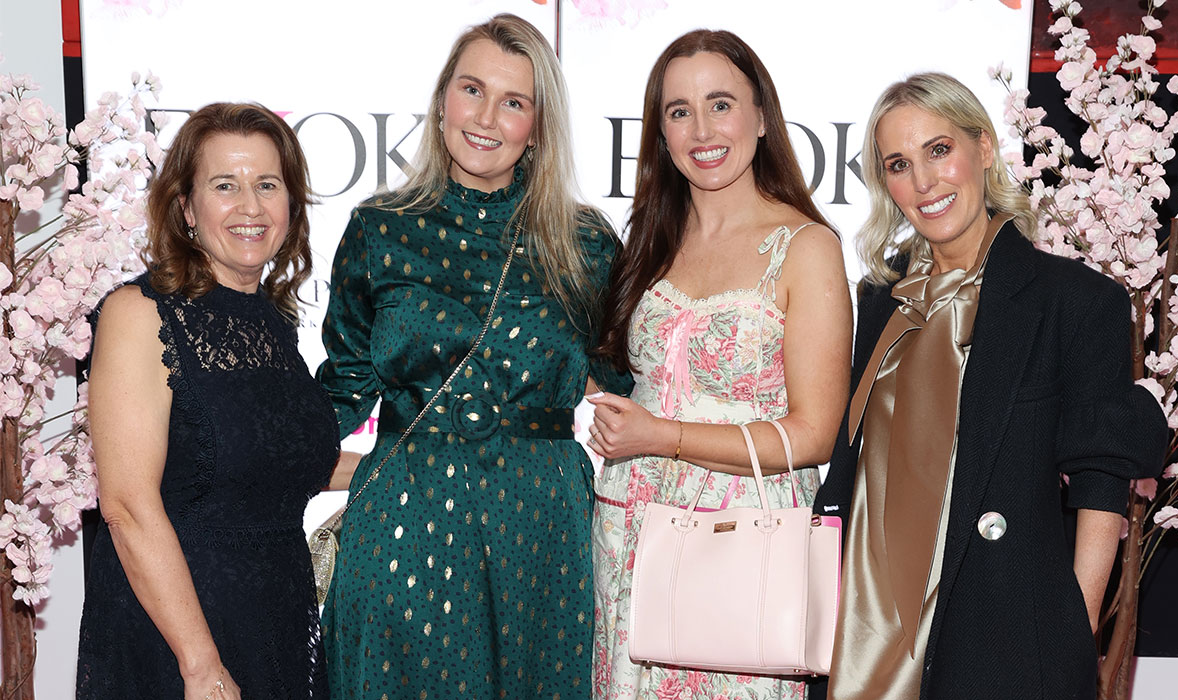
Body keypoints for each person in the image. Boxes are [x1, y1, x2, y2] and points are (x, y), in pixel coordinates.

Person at [813, 73, 1168, 700]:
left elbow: (1100, 480)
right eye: (899, 164)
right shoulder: (877, 302)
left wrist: (1071, 628)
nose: (923, 182)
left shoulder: (1075, 301)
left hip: (1002, 639)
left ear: (983, 147)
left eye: (939, 150)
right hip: (864, 626)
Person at [315, 14, 627, 700]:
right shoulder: (379, 229)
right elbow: (341, 388)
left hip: (541, 528)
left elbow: (632, 387)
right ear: (441, 101)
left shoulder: (587, 244)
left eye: (514, 102)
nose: (486, 117)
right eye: (471, 90)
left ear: (538, 126)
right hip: (402, 519)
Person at [586, 29, 852, 700]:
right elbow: (624, 374)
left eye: (720, 103)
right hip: (629, 530)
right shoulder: (649, 242)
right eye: (679, 111)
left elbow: (816, 434)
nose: (701, 129)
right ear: (661, 133)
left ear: (761, 116)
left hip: (741, 543)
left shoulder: (806, 246)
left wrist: (664, 437)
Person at [77, 103, 338, 699]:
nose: (250, 205)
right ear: (186, 208)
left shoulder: (272, 323)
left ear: (291, 207)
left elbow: (277, 467)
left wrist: (413, 462)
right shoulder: (138, 314)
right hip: (177, 633)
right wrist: (199, 663)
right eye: (226, 185)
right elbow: (126, 503)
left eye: (267, 185)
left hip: (276, 618)